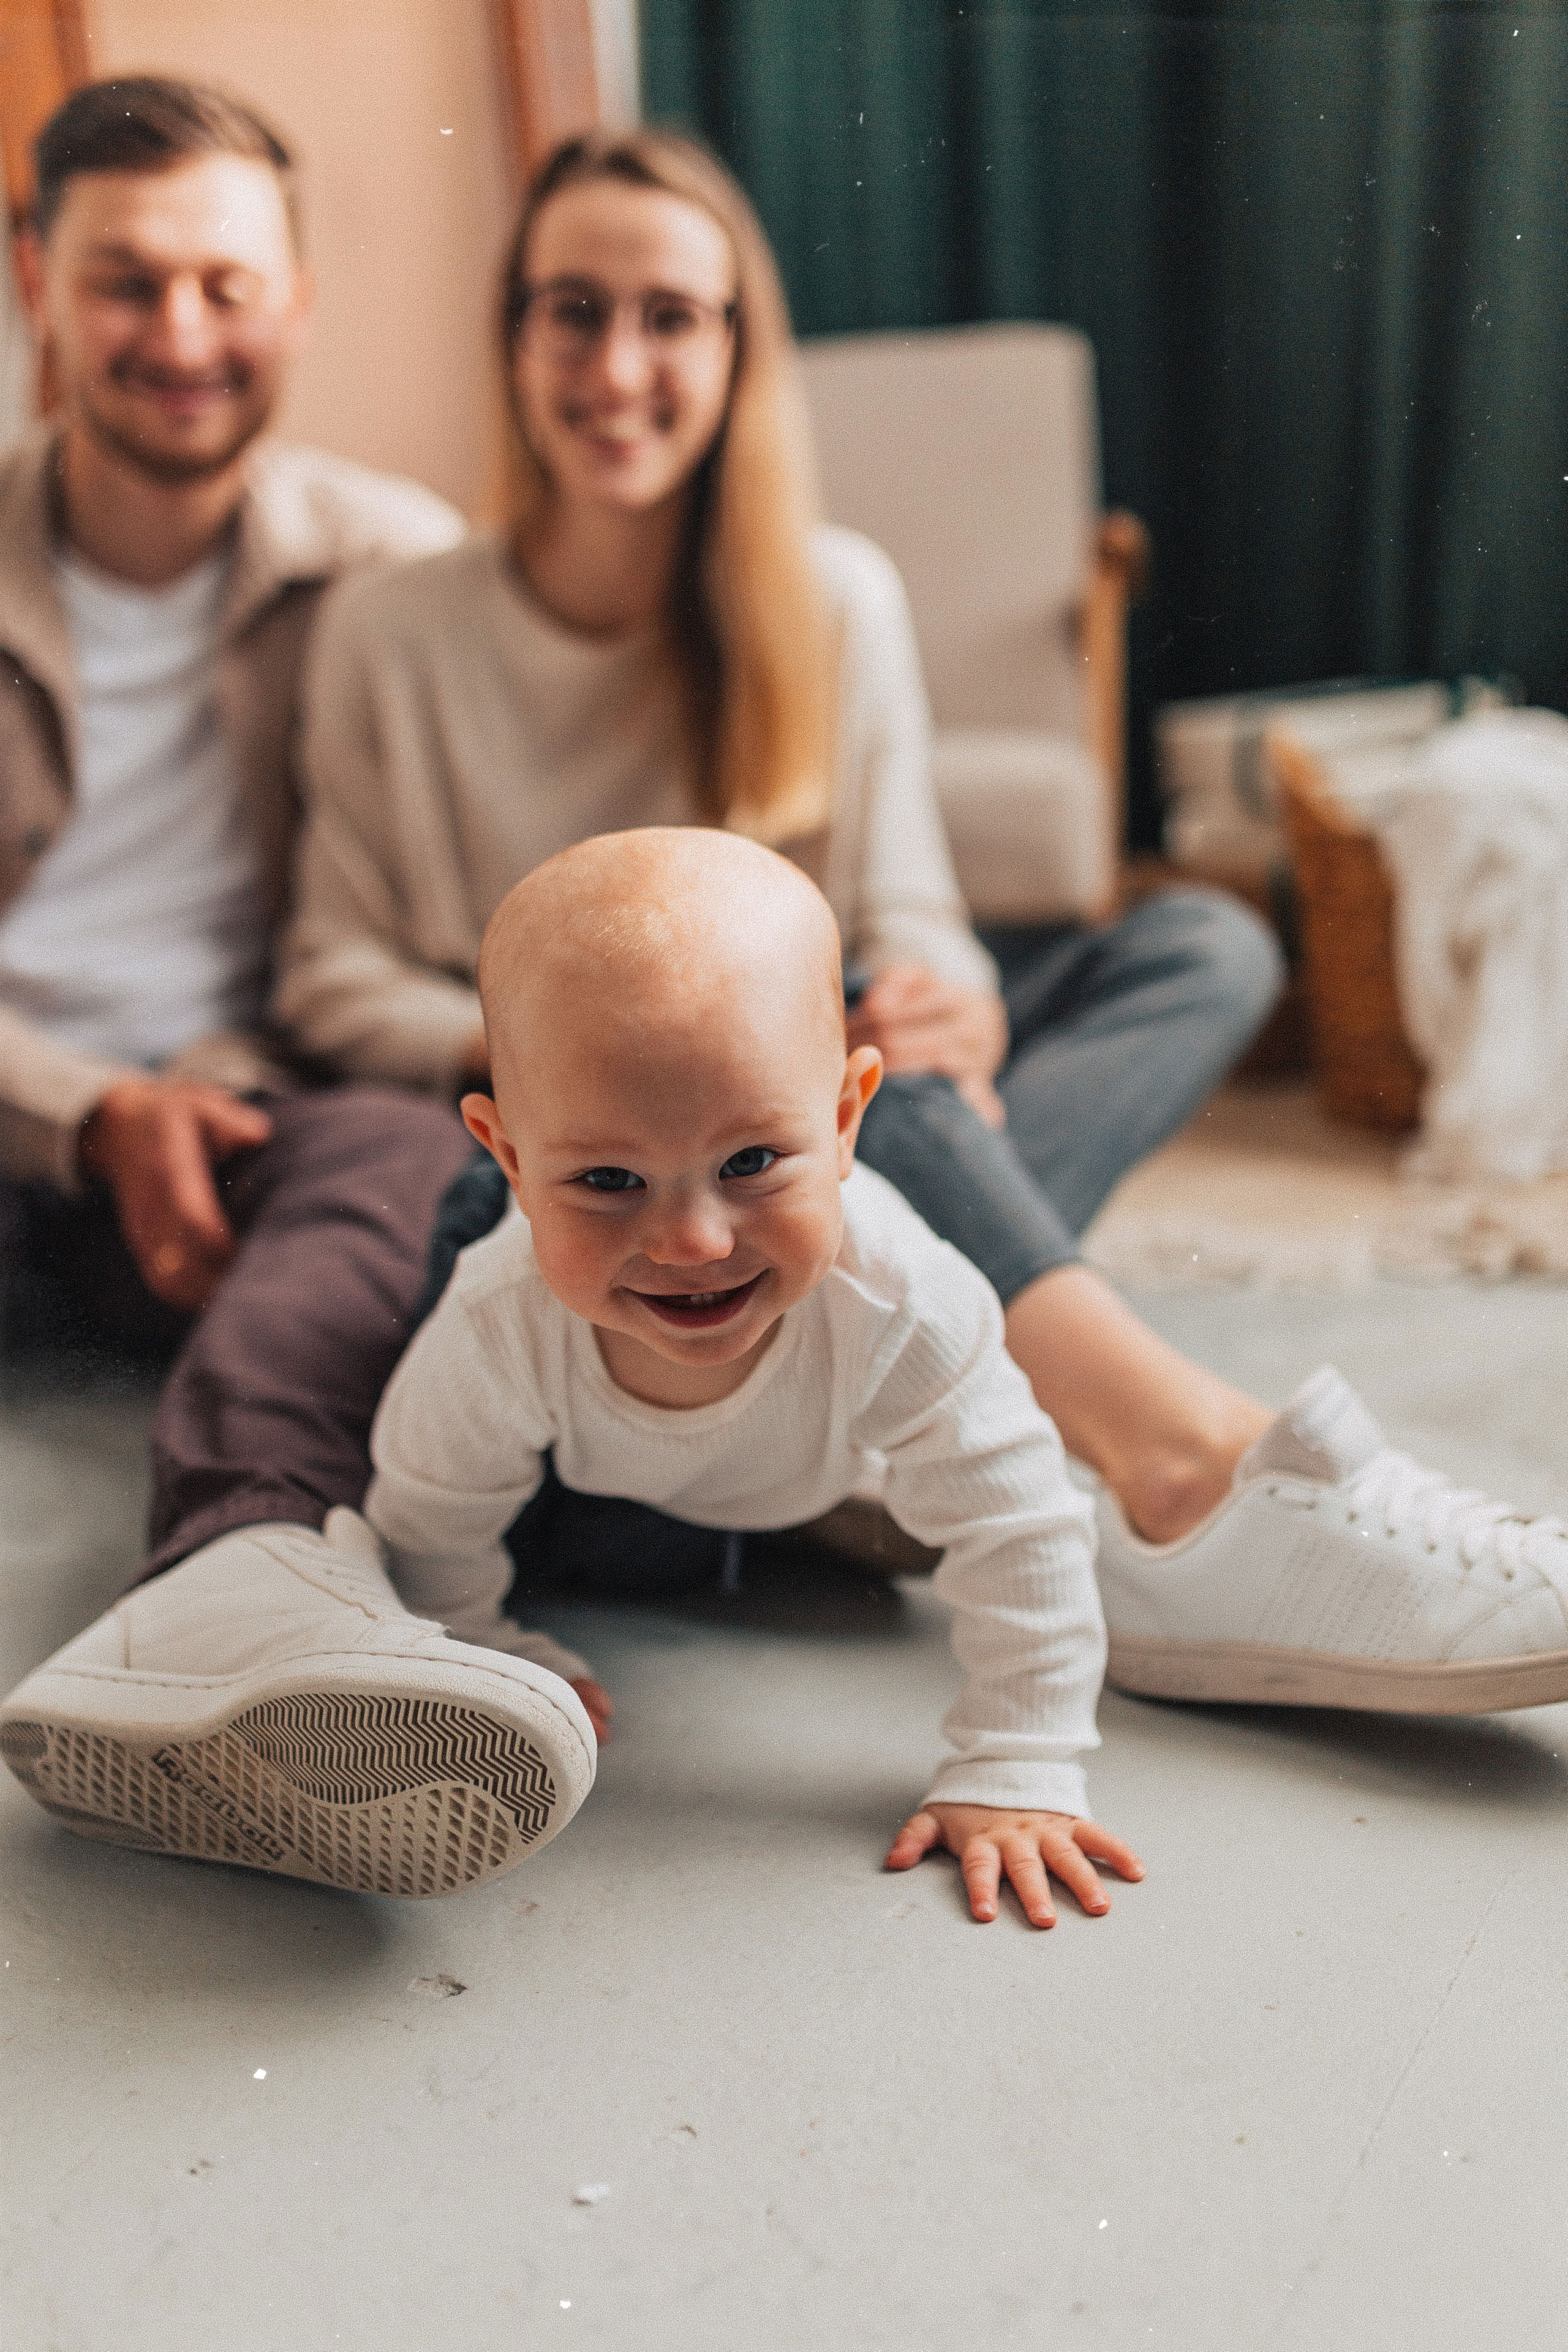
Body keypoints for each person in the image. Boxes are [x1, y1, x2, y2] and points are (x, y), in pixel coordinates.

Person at [273, 126, 1568, 1716]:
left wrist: (955, 1000)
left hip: (792, 1150)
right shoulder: (393, 628)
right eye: (575, 311)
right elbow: (326, 974)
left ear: (737, 347)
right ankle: (1185, 1468)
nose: (620, 364)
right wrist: (570, 1065)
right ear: (516, 337)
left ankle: (846, 1423)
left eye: (672, 315)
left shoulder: (828, 594)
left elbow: (912, 919)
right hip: (573, 1215)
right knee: (755, 1158)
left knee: (1198, 948)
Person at [371, 829, 1147, 1926]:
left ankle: (836, 1470)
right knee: (588, 1547)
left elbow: (1023, 1528)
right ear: (509, 1159)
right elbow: (428, 1507)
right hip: (595, 1478)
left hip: (801, 1422)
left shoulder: (907, 1298)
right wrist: (477, 1636)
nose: (691, 1242)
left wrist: (1017, 1762)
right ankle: (797, 1471)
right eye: (606, 1178)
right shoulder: (499, 1315)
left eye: (750, 1163)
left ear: (842, 1121)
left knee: (957, 1445)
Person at [0, 78, 478, 1568]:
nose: (186, 338)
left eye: (229, 286)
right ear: (37, 284)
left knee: (408, 1157)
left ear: (299, 300)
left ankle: (239, 1581)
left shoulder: (394, 565)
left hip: (248, 1126)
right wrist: (92, 1115)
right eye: (128, 284)